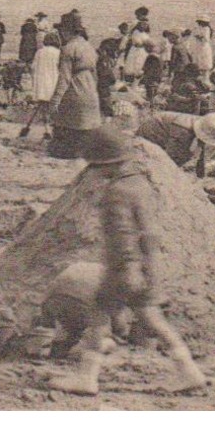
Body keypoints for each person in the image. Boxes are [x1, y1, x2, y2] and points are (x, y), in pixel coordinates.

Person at [51, 127, 206, 397]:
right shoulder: (139, 184)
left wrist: (126, 272)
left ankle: (87, 377)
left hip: (125, 268)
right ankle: (188, 370)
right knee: (153, 319)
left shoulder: (116, 194)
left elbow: (122, 237)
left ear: (102, 164)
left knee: (99, 317)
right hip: (148, 264)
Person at [49, 12, 101, 159]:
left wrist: (55, 101)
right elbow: (95, 75)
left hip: (75, 92)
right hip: (90, 91)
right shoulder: (89, 47)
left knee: (65, 128)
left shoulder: (68, 49)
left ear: (66, 31)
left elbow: (64, 78)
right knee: (86, 129)